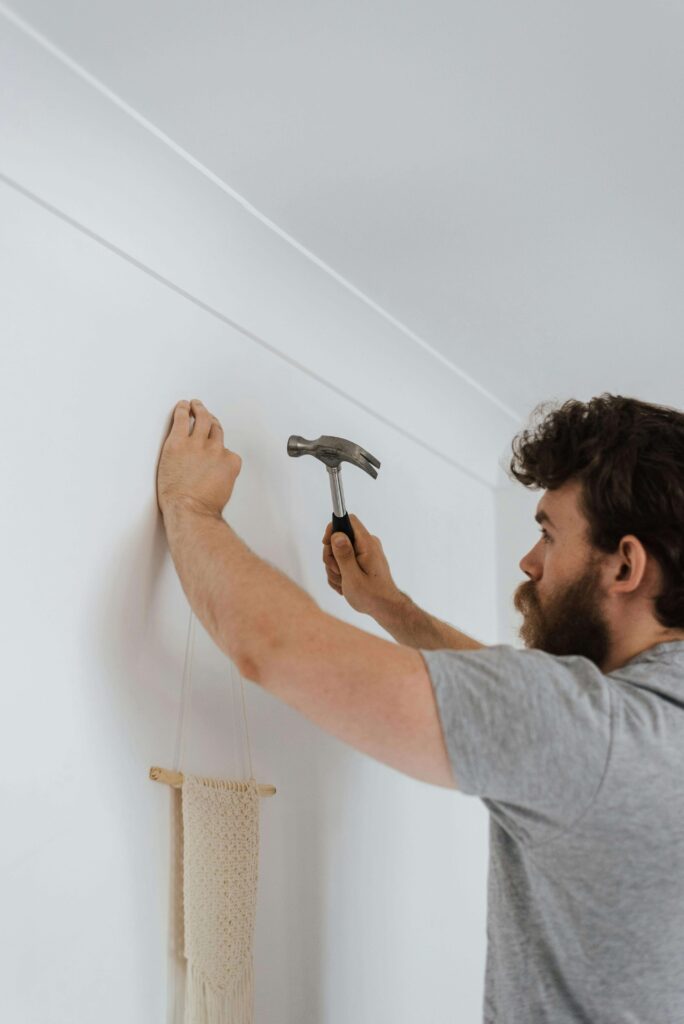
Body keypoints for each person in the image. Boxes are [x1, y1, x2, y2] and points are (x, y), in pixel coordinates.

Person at [322, 392, 684, 1024]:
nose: (529, 561)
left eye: (548, 534)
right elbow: (536, 708)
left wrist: (193, 509)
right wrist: (390, 608)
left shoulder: (596, 733)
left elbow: (268, 649)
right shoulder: (642, 719)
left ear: (626, 564)